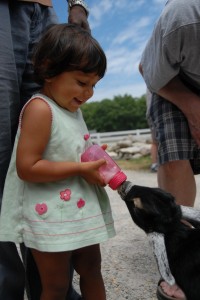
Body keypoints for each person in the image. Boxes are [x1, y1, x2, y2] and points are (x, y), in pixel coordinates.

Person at [0, 23, 116, 300]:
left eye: (94, 85)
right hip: (49, 216)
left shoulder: (72, 110)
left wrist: (92, 160)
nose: (89, 93)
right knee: (56, 285)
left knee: (92, 270)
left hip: (79, 211)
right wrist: (79, 168)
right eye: (81, 82)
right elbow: (27, 168)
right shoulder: (41, 109)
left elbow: (69, 150)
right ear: (49, 68)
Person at [139, 0, 200, 299]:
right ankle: (177, 253)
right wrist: (192, 106)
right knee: (175, 159)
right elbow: (146, 70)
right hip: (168, 82)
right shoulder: (183, 17)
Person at [146, 89, 158, 173]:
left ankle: (155, 164)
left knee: (155, 142)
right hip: (155, 112)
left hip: (152, 112)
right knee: (155, 142)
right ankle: (155, 164)